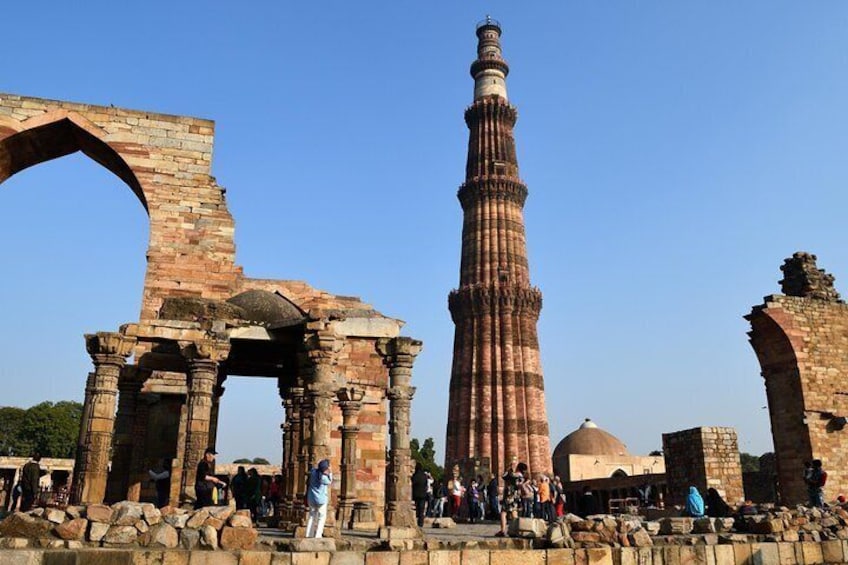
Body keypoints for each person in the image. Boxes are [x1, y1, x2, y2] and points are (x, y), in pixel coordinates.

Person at [495, 458, 526, 537]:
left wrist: (510, 468)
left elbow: (504, 476)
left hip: (509, 496)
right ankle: (516, 530)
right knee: (514, 513)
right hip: (515, 497)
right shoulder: (521, 476)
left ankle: (503, 530)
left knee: (503, 512)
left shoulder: (514, 474)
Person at [306, 459, 332, 538]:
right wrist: (330, 473)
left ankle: (309, 534)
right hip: (321, 500)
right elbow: (330, 481)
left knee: (311, 516)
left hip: (311, 498)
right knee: (321, 517)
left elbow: (312, 470)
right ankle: (318, 535)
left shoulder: (313, 472)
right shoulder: (323, 478)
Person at [412, 462, 429, 527]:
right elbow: (426, 484)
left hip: (416, 494)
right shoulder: (424, 476)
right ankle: (420, 523)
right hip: (423, 494)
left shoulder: (416, 475)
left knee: (416, 509)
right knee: (421, 510)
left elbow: (413, 483)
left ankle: (415, 521)